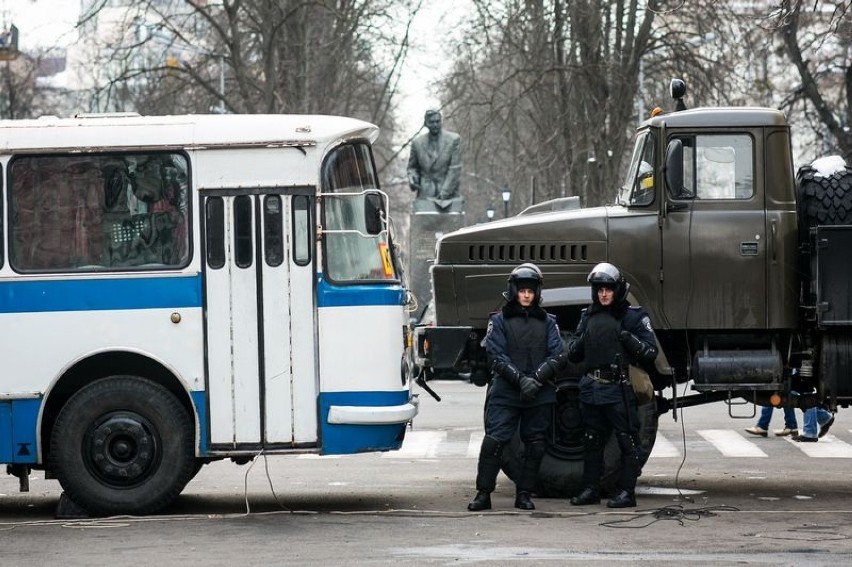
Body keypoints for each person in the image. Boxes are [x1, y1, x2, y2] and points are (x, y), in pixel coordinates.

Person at [467, 263, 564, 512]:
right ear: (514, 291)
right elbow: (495, 355)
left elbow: (557, 354)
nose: (526, 295)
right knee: (495, 441)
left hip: (539, 392)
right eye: (522, 290)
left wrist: (537, 379)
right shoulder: (498, 321)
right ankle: (483, 493)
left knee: (536, 444)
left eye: (530, 291)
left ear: (537, 293)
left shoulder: (549, 322)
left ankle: (524, 494)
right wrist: (521, 380)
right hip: (508, 391)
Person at [567, 262, 658, 509]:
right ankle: (590, 489)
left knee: (627, 441)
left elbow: (651, 352)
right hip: (592, 389)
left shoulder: (633, 316)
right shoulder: (588, 316)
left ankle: (627, 492)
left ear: (617, 290)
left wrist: (628, 339)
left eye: (608, 289)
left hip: (619, 389)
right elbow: (573, 354)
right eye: (599, 289)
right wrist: (583, 339)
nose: (603, 294)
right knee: (591, 441)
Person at [407, 109, 463, 212]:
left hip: (449, 194)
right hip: (425, 193)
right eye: (431, 122)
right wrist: (412, 177)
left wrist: (445, 192)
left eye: (437, 121)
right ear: (426, 123)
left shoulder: (453, 139)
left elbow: (455, 169)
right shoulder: (417, 143)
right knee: (424, 225)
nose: (435, 125)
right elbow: (412, 167)